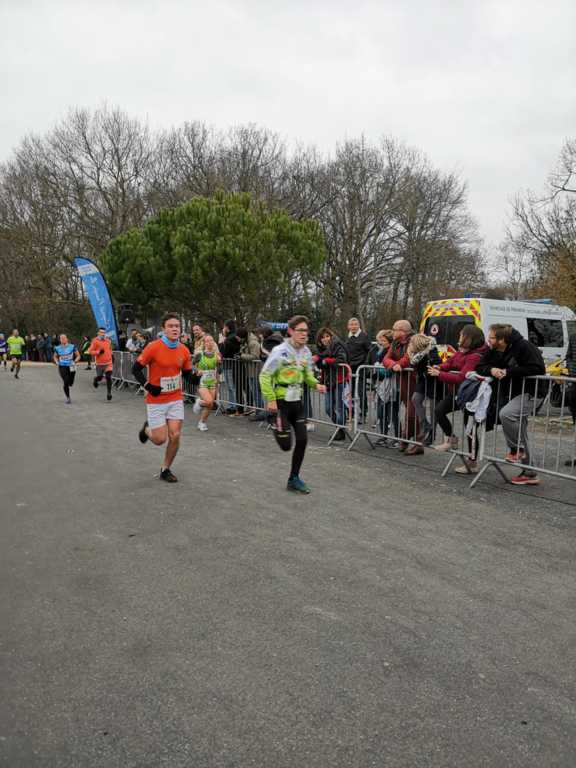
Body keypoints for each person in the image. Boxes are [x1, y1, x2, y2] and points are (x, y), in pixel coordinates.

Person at [259, 315, 326, 494]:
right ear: (291, 331)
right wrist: (270, 398)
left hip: (297, 401)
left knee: (303, 440)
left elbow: (307, 375)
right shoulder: (279, 351)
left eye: (306, 331)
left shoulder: (306, 352)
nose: (304, 334)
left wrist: (316, 384)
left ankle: (293, 479)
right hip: (281, 402)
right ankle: (274, 421)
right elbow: (264, 375)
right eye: (300, 330)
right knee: (286, 445)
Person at [476, 323, 546, 486]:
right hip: (513, 393)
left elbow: (537, 368)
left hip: (532, 392)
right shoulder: (493, 350)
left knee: (506, 414)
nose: (488, 340)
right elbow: (479, 366)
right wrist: (492, 370)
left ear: (502, 340)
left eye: (492, 337)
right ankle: (530, 472)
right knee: (520, 430)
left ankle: (516, 449)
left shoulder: (524, 346)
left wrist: (508, 372)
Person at [132, 312, 193, 483]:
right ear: (164, 329)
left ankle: (165, 469)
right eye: (171, 326)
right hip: (156, 400)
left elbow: (187, 374)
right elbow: (135, 369)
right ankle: (147, 429)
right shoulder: (153, 347)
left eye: (177, 326)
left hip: (175, 399)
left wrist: (197, 377)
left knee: (175, 435)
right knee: (160, 439)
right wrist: (148, 386)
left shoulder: (184, 350)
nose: (174, 329)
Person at [429, 325, 488, 473]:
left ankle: (472, 462)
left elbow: (462, 378)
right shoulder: (462, 351)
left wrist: (439, 374)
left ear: (469, 338)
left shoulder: (475, 356)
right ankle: (451, 438)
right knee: (439, 411)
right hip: (456, 393)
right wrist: (440, 367)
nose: (459, 338)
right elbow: (449, 363)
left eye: (461, 335)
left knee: (469, 429)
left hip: (470, 396)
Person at [383, 320, 418, 452]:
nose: (393, 332)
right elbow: (386, 359)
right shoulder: (395, 343)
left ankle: (407, 439)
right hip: (403, 381)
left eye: (395, 329)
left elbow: (409, 357)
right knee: (410, 412)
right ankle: (412, 441)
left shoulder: (414, 341)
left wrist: (399, 365)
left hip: (415, 380)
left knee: (412, 413)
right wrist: (393, 365)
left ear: (403, 331)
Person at [406, 333, 442, 452]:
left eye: (412, 343)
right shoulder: (415, 354)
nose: (410, 345)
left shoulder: (431, 350)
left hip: (434, 381)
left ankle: (432, 434)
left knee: (433, 408)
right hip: (422, 380)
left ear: (418, 344)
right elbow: (412, 365)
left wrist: (430, 367)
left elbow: (438, 363)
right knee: (415, 399)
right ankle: (424, 424)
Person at [314, 327, 349, 441]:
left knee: (339, 408)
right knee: (328, 408)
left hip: (339, 380)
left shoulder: (338, 345)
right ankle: (340, 428)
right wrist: (318, 360)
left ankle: (340, 431)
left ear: (331, 336)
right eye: (322, 337)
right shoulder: (321, 350)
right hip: (328, 381)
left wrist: (327, 360)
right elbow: (321, 365)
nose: (325, 339)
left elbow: (342, 360)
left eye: (327, 336)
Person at [372, 330, 400, 446]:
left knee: (393, 414)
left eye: (384, 341)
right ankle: (383, 436)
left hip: (393, 387)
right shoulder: (381, 351)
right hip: (382, 386)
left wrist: (378, 369)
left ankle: (398, 438)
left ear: (390, 341)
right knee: (381, 412)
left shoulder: (393, 352)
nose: (381, 343)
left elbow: (389, 371)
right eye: (381, 340)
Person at [192, 335, 221, 431]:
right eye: (207, 341)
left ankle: (202, 422)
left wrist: (219, 363)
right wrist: (197, 370)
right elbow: (191, 365)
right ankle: (199, 402)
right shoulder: (200, 354)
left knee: (210, 405)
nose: (210, 342)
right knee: (208, 401)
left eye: (211, 340)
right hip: (202, 382)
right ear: (204, 343)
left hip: (212, 382)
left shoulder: (217, 356)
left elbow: (219, 371)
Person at [345, 317, 371, 422]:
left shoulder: (364, 336)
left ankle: (363, 414)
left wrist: (366, 365)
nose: (353, 327)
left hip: (361, 369)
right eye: (351, 325)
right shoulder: (347, 337)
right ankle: (350, 413)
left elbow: (370, 351)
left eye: (355, 324)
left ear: (359, 325)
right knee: (349, 392)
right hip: (349, 369)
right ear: (348, 326)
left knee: (361, 392)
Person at [219, 320, 242, 415]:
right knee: (231, 387)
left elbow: (223, 352)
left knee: (231, 387)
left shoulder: (230, 338)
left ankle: (233, 406)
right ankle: (232, 405)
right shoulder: (233, 337)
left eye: (224, 327)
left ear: (227, 328)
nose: (223, 329)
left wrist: (221, 342)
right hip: (231, 365)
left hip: (230, 366)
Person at [53, 334, 81, 404]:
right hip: (62, 366)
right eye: (61, 338)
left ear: (67, 339)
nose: (63, 339)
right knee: (66, 381)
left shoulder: (72, 346)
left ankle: (70, 383)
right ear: (60, 340)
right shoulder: (57, 348)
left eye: (64, 338)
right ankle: (68, 398)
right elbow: (55, 356)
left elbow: (78, 356)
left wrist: (74, 361)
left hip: (71, 366)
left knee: (70, 383)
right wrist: (57, 362)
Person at [88, 328, 114, 401]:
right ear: (98, 333)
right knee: (100, 377)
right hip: (100, 363)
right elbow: (90, 351)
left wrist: (112, 356)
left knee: (108, 377)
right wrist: (98, 352)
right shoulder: (95, 341)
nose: (103, 334)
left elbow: (110, 349)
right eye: (101, 332)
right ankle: (95, 380)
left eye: (104, 333)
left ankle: (109, 393)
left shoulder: (108, 341)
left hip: (108, 363)